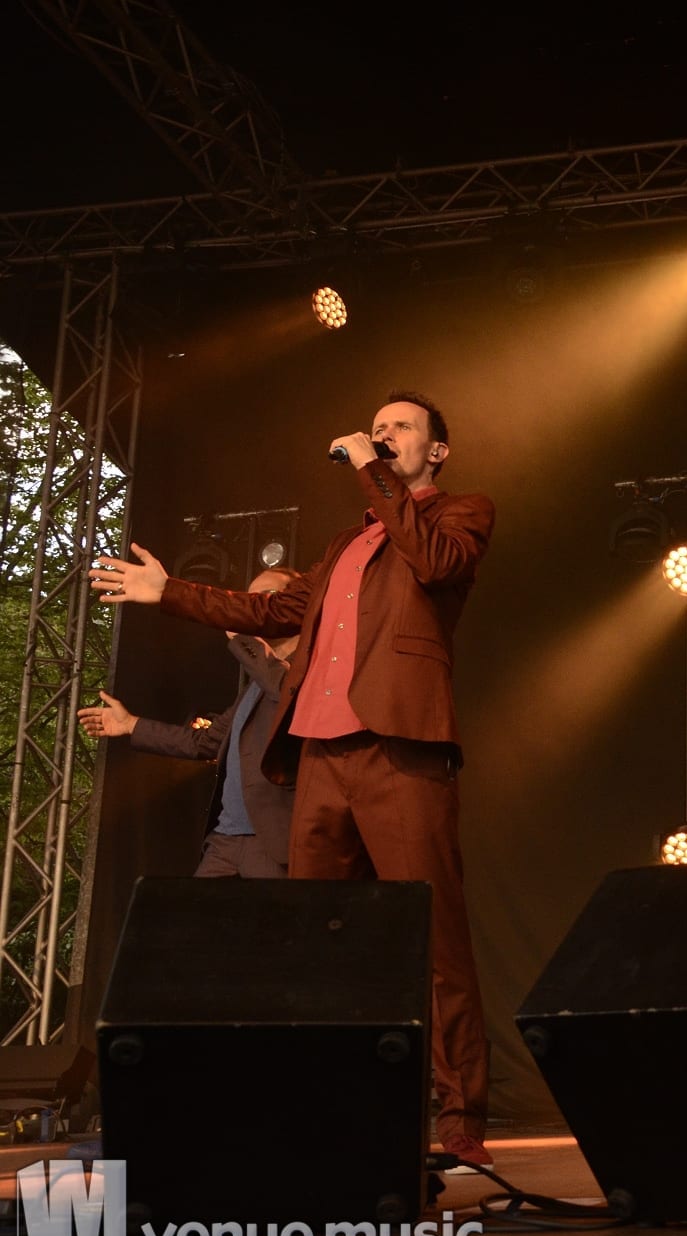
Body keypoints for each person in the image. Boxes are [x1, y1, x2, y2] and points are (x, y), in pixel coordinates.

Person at [88, 390, 496, 1171]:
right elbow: (267, 613)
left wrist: (372, 470)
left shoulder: (460, 514)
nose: (382, 433)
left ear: (436, 451)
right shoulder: (345, 545)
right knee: (318, 943)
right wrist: (167, 592)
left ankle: (459, 1118)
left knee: (434, 937)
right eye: (376, 427)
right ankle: (333, 1107)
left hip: (400, 748)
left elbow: (435, 563)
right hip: (319, 757)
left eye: (400, 427)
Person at [79, 568, 299, 877]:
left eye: (268, 595)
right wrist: (131, 724)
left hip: (271, 841)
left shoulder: (309, 669)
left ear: (297, 604)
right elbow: (206, 743)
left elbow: (288, 696)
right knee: (188, 910)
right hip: (226, 839)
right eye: (250, 598)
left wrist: (244, 640)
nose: (255, 604)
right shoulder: (256, 685)